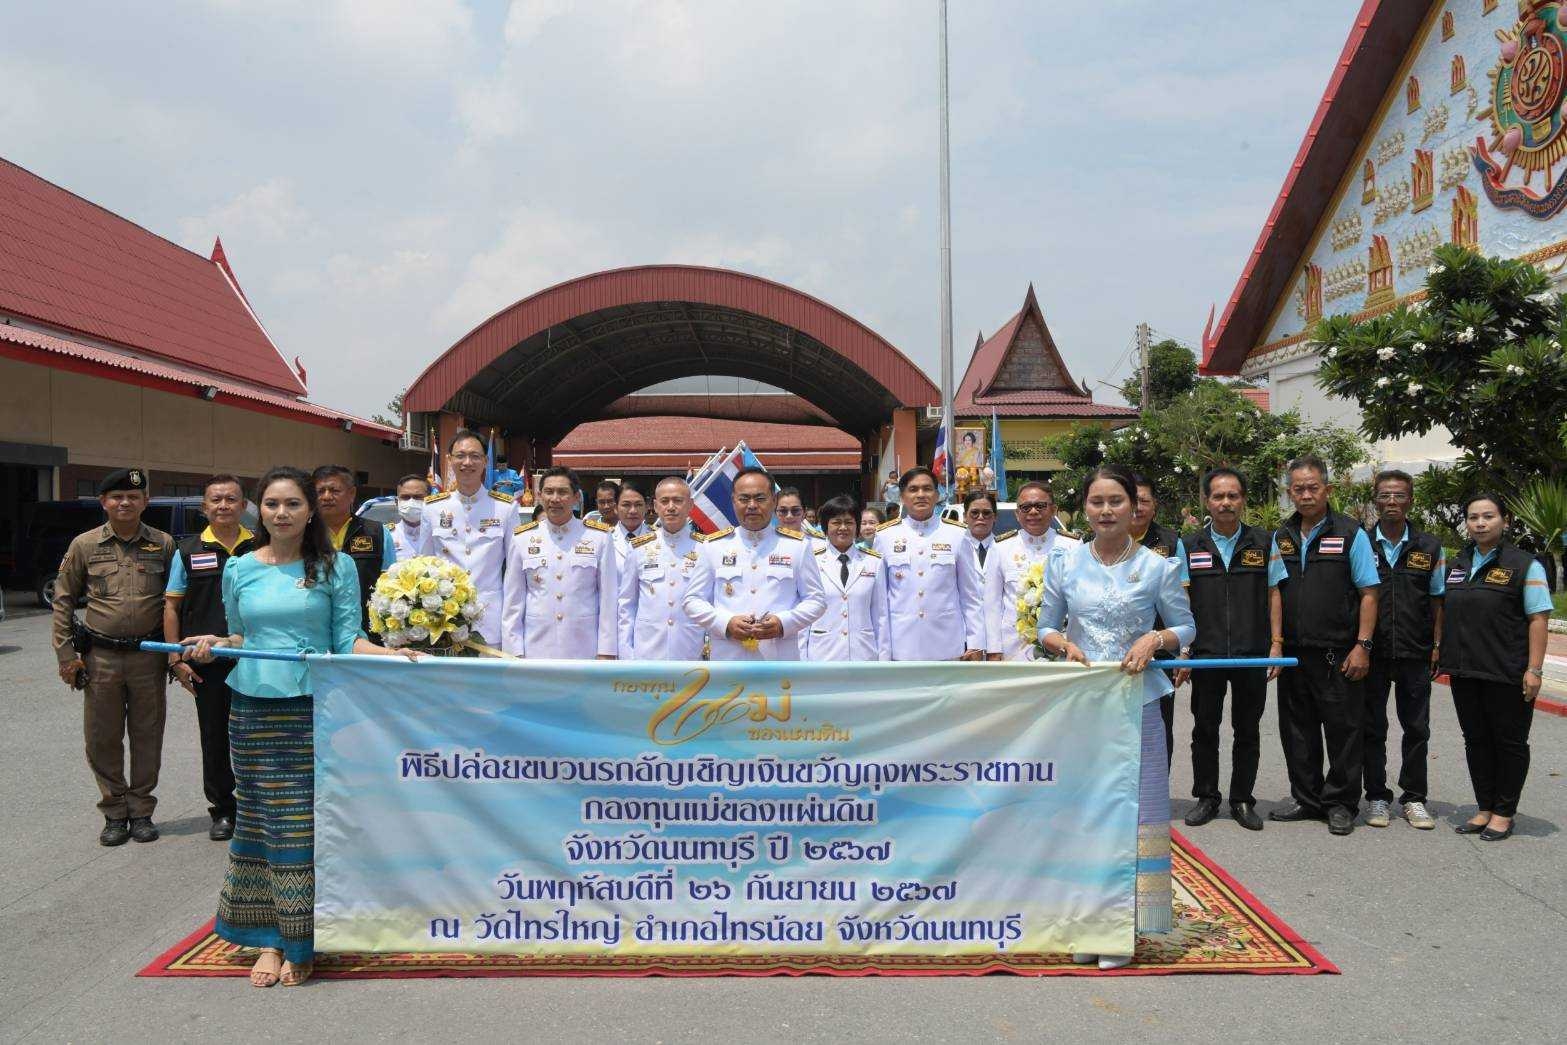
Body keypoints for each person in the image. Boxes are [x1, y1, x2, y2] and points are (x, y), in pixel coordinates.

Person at [180, 466, 416, 988]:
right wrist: (214, 644)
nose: (281, 514)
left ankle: (304, 938)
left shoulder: (337, 566)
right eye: (271, 505)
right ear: (257, 511)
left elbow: (347, 639)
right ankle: (268, 938)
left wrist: (391, 654)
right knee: (262, 820)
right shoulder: (239, 567)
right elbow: (242, 637)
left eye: (292, 504)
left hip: (314, 709)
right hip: (251, 709)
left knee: (305, 823)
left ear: (310, 510)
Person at [1036, 465, 1194, 969]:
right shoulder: (1064, 563)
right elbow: (1044, 626)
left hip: (1138, 705)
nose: (1106, 511)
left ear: (1136, 507)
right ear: (1084, 508)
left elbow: (1186, 626)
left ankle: (1125, 928)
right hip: (1082, 703)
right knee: (1085, 812)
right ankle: (1088, 920)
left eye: (1116, 502)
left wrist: (1156, 638)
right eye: (1097, 502)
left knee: (1135, 813)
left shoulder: (1157, 567)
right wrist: (1061, 642)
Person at [51, 467, 175, 846]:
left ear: (145, 502)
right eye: (117, 496)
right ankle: (114, 811)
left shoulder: (164, 544)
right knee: (102, 738)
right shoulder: (84, 545)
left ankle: (141, 811)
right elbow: (63, 600)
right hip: (100, 657)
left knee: (147, 736)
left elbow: (176, 603)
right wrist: (66, 655)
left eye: (133, 497)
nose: (125, 502)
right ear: (104, 502)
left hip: (148, 657)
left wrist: (176, 654)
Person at [1267, 455, 1380, 836]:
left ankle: (1341, 803)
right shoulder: (1280, 535)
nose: (1305, 494)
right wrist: (1277, 643)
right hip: (1296, 655)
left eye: (1313, 487)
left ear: (1327, 490)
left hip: (1339, 652)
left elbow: (1368, 593)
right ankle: (1306, 797)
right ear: (1289, 493)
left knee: (1344, 730)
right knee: (1297, 731)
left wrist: (1363, 645)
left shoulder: (1351, 533)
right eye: (1298, 488)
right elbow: (1276, 593)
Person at [1440, 493, 1551, 842]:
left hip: (1507, 671)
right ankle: (1484, 807)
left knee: (1509, 743)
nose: (1480, 523)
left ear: (1505, 520)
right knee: (1476, 741)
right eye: (1473, 517)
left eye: (1488, 516)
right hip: (1465, 670)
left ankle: (1504, 811)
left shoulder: (1524, 565)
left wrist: (1534, 670)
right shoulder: (1457, 564)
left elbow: (1538, 619)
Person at [1172, 468, 1271, 832]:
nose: (1226, 503)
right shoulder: (1190, 545)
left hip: (1252, 652)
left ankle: (1242, 798)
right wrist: (1186, 652)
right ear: (1206, 501)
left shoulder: (1264, 542)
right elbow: (1182, 602)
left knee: (1247, 729)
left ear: (1243, 499)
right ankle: (1207, 797)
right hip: (1207, 654)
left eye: (1233, 496)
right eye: (1218, 496)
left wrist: (1275, 643)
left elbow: (1275, 595)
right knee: (1205, 728)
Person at [163, 474, 256, 842]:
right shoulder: (187, 551)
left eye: (231, 499)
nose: (223, 506)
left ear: (243, 505)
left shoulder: (261, 546)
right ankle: (223, 810)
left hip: (255, 657)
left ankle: (256, 807)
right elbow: (172, 607)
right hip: (208, 662)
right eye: (216, 500)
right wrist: (175, 660)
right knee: (214, 738)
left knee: (254, 736)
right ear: (204, 507)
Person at [1362, 469, 1444, 831]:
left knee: (1417, 728)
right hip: (1373, 652)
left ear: (1410, 500)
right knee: (1372, 727)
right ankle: (1377, 796)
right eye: (1384, 496)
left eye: (1399, 496)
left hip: (1415, 651)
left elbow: (1438, 599)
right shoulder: (1361, 543)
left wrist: (1438, 645)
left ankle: (1414, 798)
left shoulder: (1429, 547)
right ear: (1375, 501)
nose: (1391, 502)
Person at [684, 466, 826, 660]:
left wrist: (783, 623)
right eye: (744, 499)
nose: (752, 505)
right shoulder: (713, 546)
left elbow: (817, 600)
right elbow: (692, 601)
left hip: (778, 660)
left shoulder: (797, 546)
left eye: (760, 498)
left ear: (774, 501)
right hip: (729, 661)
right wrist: (726, 623)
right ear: (733, 501)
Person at [502, 467, 618, 659]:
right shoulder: (522, 537)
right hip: (536, 648)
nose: (555, 498)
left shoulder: (599, 537)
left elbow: (608, 598)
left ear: (576, 497)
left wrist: (606, 651)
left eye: (562, 492)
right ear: (539, 496)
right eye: (549, 492)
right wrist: (514, 651)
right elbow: (513, 600)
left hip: (583, 648)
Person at [417, 429, 519, 646]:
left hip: (490, 622)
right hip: (444, 622)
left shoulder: (505, 508)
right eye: (460, 456)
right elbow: (424, 566)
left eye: (475, 456)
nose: (467, 462)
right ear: (449, 460)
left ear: (485, 461)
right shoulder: (433, 507)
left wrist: (512, 626)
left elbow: (515, 571)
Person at [873, 467, 985, 661]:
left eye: (927, 489)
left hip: (947, 645)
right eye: (913, 489)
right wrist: (883, 652)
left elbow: (970, 596)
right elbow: (879, 602)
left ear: (937, 494)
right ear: (902, 496)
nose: (921, 495)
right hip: (901, 645)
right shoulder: (885, 537)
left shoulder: (957, 535)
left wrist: (975, 643)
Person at [984, 481, 1075, 660]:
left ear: (1054, 509)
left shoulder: (1072, 545)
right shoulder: (1001, 547)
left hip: (1062, 643)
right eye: (1025, 507)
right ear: (1017, 514)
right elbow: (992, 603)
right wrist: (994, 648)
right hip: (1014, 646)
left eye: (1040, 506)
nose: (1033, 512)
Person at [618, 477, 705, 661]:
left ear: (691, 505)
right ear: (656, 506)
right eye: (665, 501)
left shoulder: (706, 548)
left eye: (678, 501)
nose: (671, 507)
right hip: (647, 651)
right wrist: (627, 654)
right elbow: (627, 604)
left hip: (691, 650)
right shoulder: (639, 548)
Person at [1131, 475, 1185, 765]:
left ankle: (1154, 797)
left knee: (1158, 728)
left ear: (1155, 507)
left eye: (1144, 501)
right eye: (1133, 500)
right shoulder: (1102, 539)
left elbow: (1184, 603)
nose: (1138, 507)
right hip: (1113, 654)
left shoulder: (1172, 542)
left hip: (1160, 653)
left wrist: (1184, 651)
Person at [313, 465, 396, 638]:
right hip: (316, 630)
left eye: (334, 490)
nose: (326, 496)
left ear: (352, 494)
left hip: (367, 631)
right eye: (320, 491)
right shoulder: (302, 534)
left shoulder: (377, 532)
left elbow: (390, 585)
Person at [803, 495, 890, 661]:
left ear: (857, 527)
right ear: (825, 527)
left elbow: (881, 616)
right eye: (836, 522)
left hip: (863, 654)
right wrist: (801, 663)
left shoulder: (874, 562)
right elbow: (804, 615)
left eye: (849, 522)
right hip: (822, 655)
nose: (843, 527)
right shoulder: (811, 561)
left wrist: (883, 661)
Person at [387, 473, 431, 562]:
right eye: (405, 497)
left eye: (417, 497)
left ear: (430, 499)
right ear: (397, 502)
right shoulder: (387, 535)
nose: (411, 502)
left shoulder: (437, 534)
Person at [610, 480, 652, 569]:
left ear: (647, 506)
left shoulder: (658, 538)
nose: (633, 511)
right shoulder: (605, 538)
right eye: (626, 505)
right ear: (615, 508)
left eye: (638, 504)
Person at [961, 489, 999, 575]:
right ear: (964, 517)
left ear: (995, 516)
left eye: (986, 513)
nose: (980, 517)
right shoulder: (956, 546)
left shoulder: (1005, 548)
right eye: (974, 513)